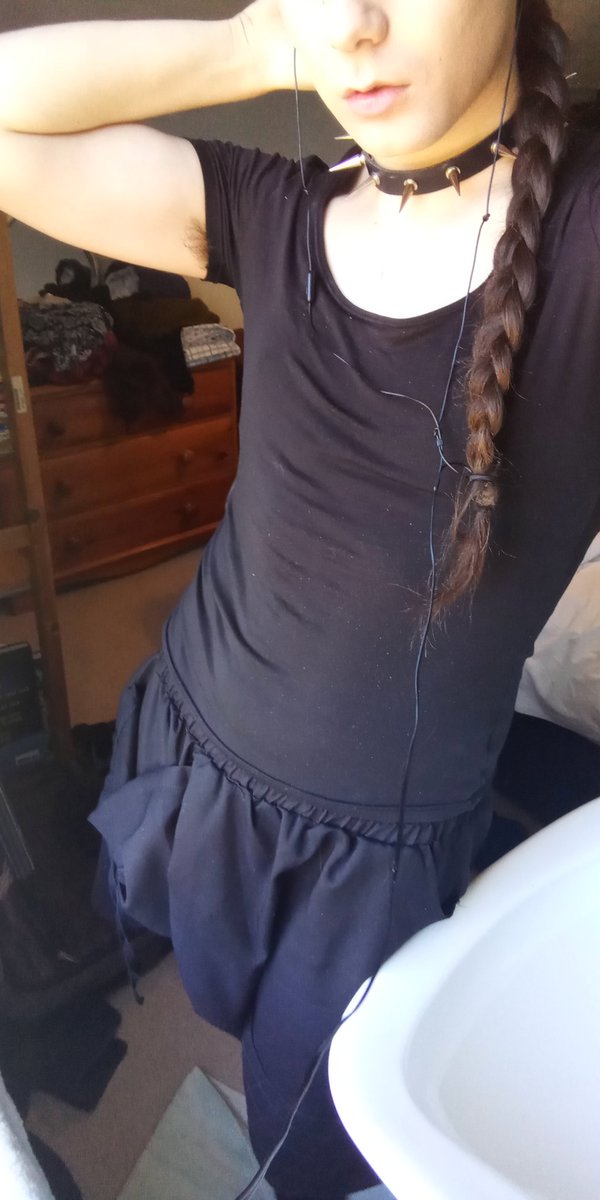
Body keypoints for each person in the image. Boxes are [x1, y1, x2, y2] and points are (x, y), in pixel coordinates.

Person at [1, 3, 599, 1197]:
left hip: (361, 869)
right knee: (208, 986)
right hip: (193, 734)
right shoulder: (273, 207)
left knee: (315, 1135)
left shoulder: (583, 235)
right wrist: (256, 44)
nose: (355, 24)